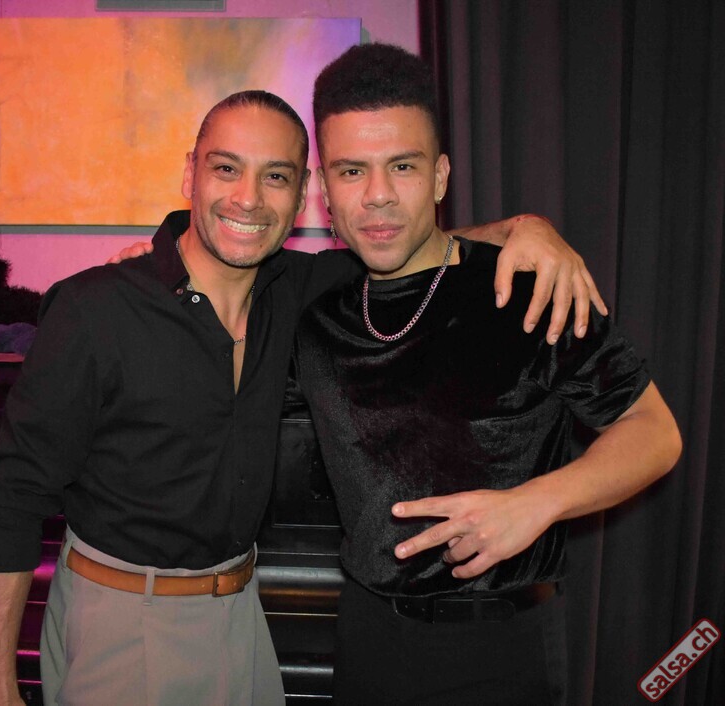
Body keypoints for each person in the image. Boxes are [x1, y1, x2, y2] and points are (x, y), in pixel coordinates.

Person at [0, 87, 604, 705]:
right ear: (190, 173)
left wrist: (525, 228)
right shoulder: (95, 309)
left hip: (242, 618)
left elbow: (411, 240)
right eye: (226, 168)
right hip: (122, 622)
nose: (248, 197)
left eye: (275, 176)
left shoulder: (303, 290)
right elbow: (10, 500)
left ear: (303, 197)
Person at [289, 43, 682, 705]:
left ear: (440, 176)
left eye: (403, 166)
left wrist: (536, 503)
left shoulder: (528, 288)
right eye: (352, 171)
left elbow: (656, 431)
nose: (378, 195)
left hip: (501, 647)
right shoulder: (317, 318)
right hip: (366, 641)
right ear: (324, 190)